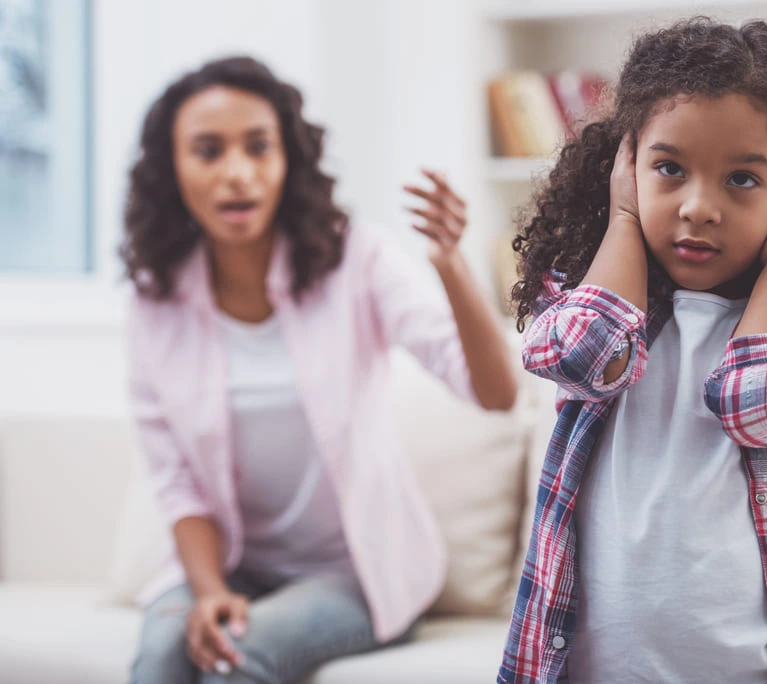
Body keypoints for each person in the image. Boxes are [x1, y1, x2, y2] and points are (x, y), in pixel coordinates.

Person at [500, 18, 767, 684]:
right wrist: (622, 220)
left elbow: (761, 407)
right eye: (668, 168)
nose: (698, 206)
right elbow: (581, 358)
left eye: (743, 181)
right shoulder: (590, 295)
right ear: (625, 163)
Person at [121, 56, 518, 683]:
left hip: (357, 572)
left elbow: (495, 394)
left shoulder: (354, 259)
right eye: (208, 151)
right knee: (160, 657)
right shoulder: (156, 300)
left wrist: (450, 265)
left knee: (235, 656)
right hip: (234, 565)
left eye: (258, 147)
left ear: (288, 159)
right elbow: (176, 482)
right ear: (173, 170)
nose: (237, 174)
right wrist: (207, 591)